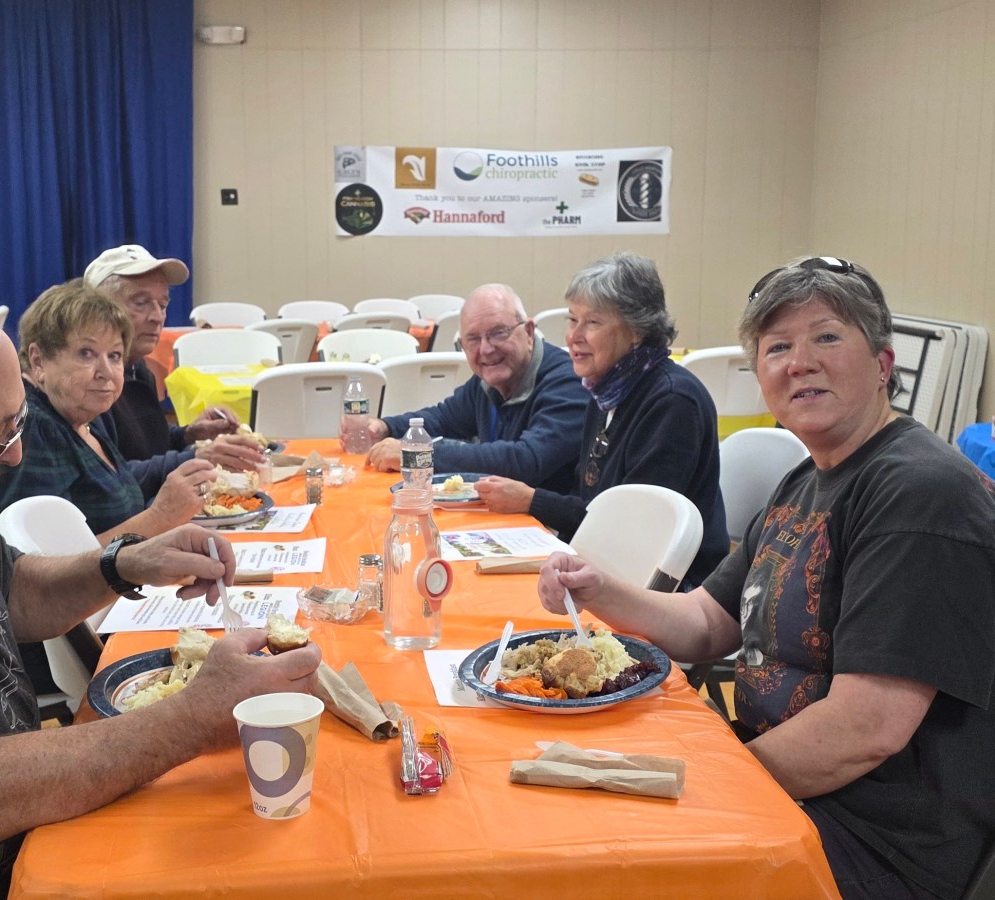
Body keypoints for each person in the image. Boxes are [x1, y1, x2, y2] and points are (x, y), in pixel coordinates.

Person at [0, 287, 321, 898]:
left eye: (17, 424)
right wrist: (194, 717)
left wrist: (124, 563)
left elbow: (11, 593)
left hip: (32, 827)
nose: (15, 453)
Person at [537, 257, 995, 900]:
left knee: (587, 872)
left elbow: (866, 729)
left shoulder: (920, 492)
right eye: (777, 347)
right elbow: (706, 623)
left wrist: (706, 781)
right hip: (788, 790)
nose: (799, 362)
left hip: (874, 843)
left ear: (883, 364)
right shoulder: (807, 480)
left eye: (826, 337)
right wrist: (599, 588)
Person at [474, 254, 727, 586]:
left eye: (592, 322)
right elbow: (592, 502)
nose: (573, 336)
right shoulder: (605, 389)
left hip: (670, 588)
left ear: (637, 330)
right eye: (572, 319)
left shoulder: (672, 401)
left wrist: (533, 501)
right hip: (605, 561)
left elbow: (632, 529)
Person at [0, 279, 216, 542]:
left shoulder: (80, 413)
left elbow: (113, 494)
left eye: (114, 355)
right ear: (38, 360)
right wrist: (161, 516)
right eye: (86, 353)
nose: (106, 372)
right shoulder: (35, 429)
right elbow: (42, 559)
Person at [354, 283, 588, 493]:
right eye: (473, 339)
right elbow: (443, 419)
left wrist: (417, 456)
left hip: (548, 524)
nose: (485, 349)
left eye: (498, 333)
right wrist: (385, 427)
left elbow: (525, 461)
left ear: (528, 332)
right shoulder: (489, 381)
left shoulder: (568, 382)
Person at [84, 243, 265, 481]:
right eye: (141, 302)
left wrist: (188, 435)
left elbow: (144, 447)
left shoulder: (139, 370)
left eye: (162, 305)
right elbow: (109, 479)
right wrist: (195, 456)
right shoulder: (89, 383)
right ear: (100, 309)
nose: (157, 317)